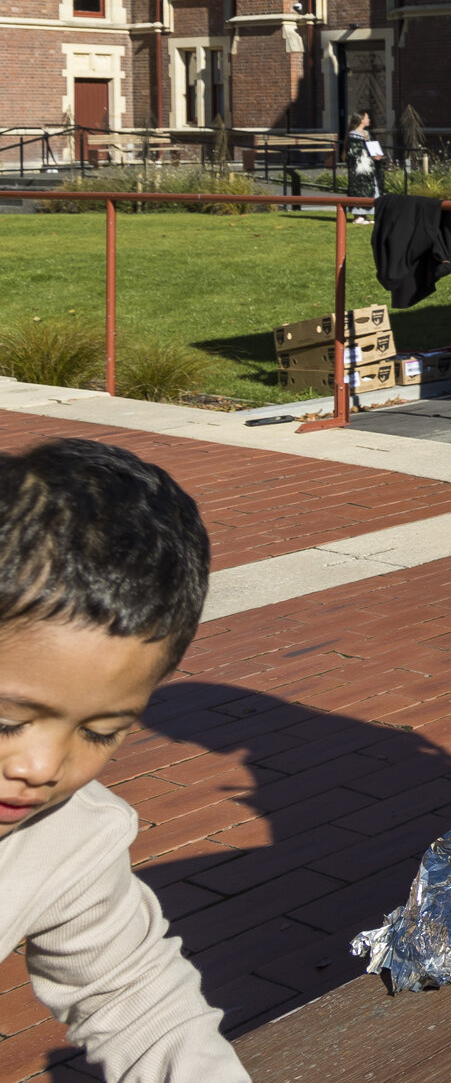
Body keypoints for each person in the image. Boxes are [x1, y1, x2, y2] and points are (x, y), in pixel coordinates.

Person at [0, 439, 250, 1083]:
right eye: (6, 721)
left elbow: (133, 997)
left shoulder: (69, 836)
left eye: (101, 731)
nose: (41, 766)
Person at [346, 112, 383, 223]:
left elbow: (370, 147)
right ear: (361, 119)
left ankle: (365, 215)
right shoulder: (353, 135)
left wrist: (376, 154)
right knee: (360, 189)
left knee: (371, 188)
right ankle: (358, 216)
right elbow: (354, 152)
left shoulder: (366, 133)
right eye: (367, 117)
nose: (369, 119)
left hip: (370, 166)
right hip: (359, 168)